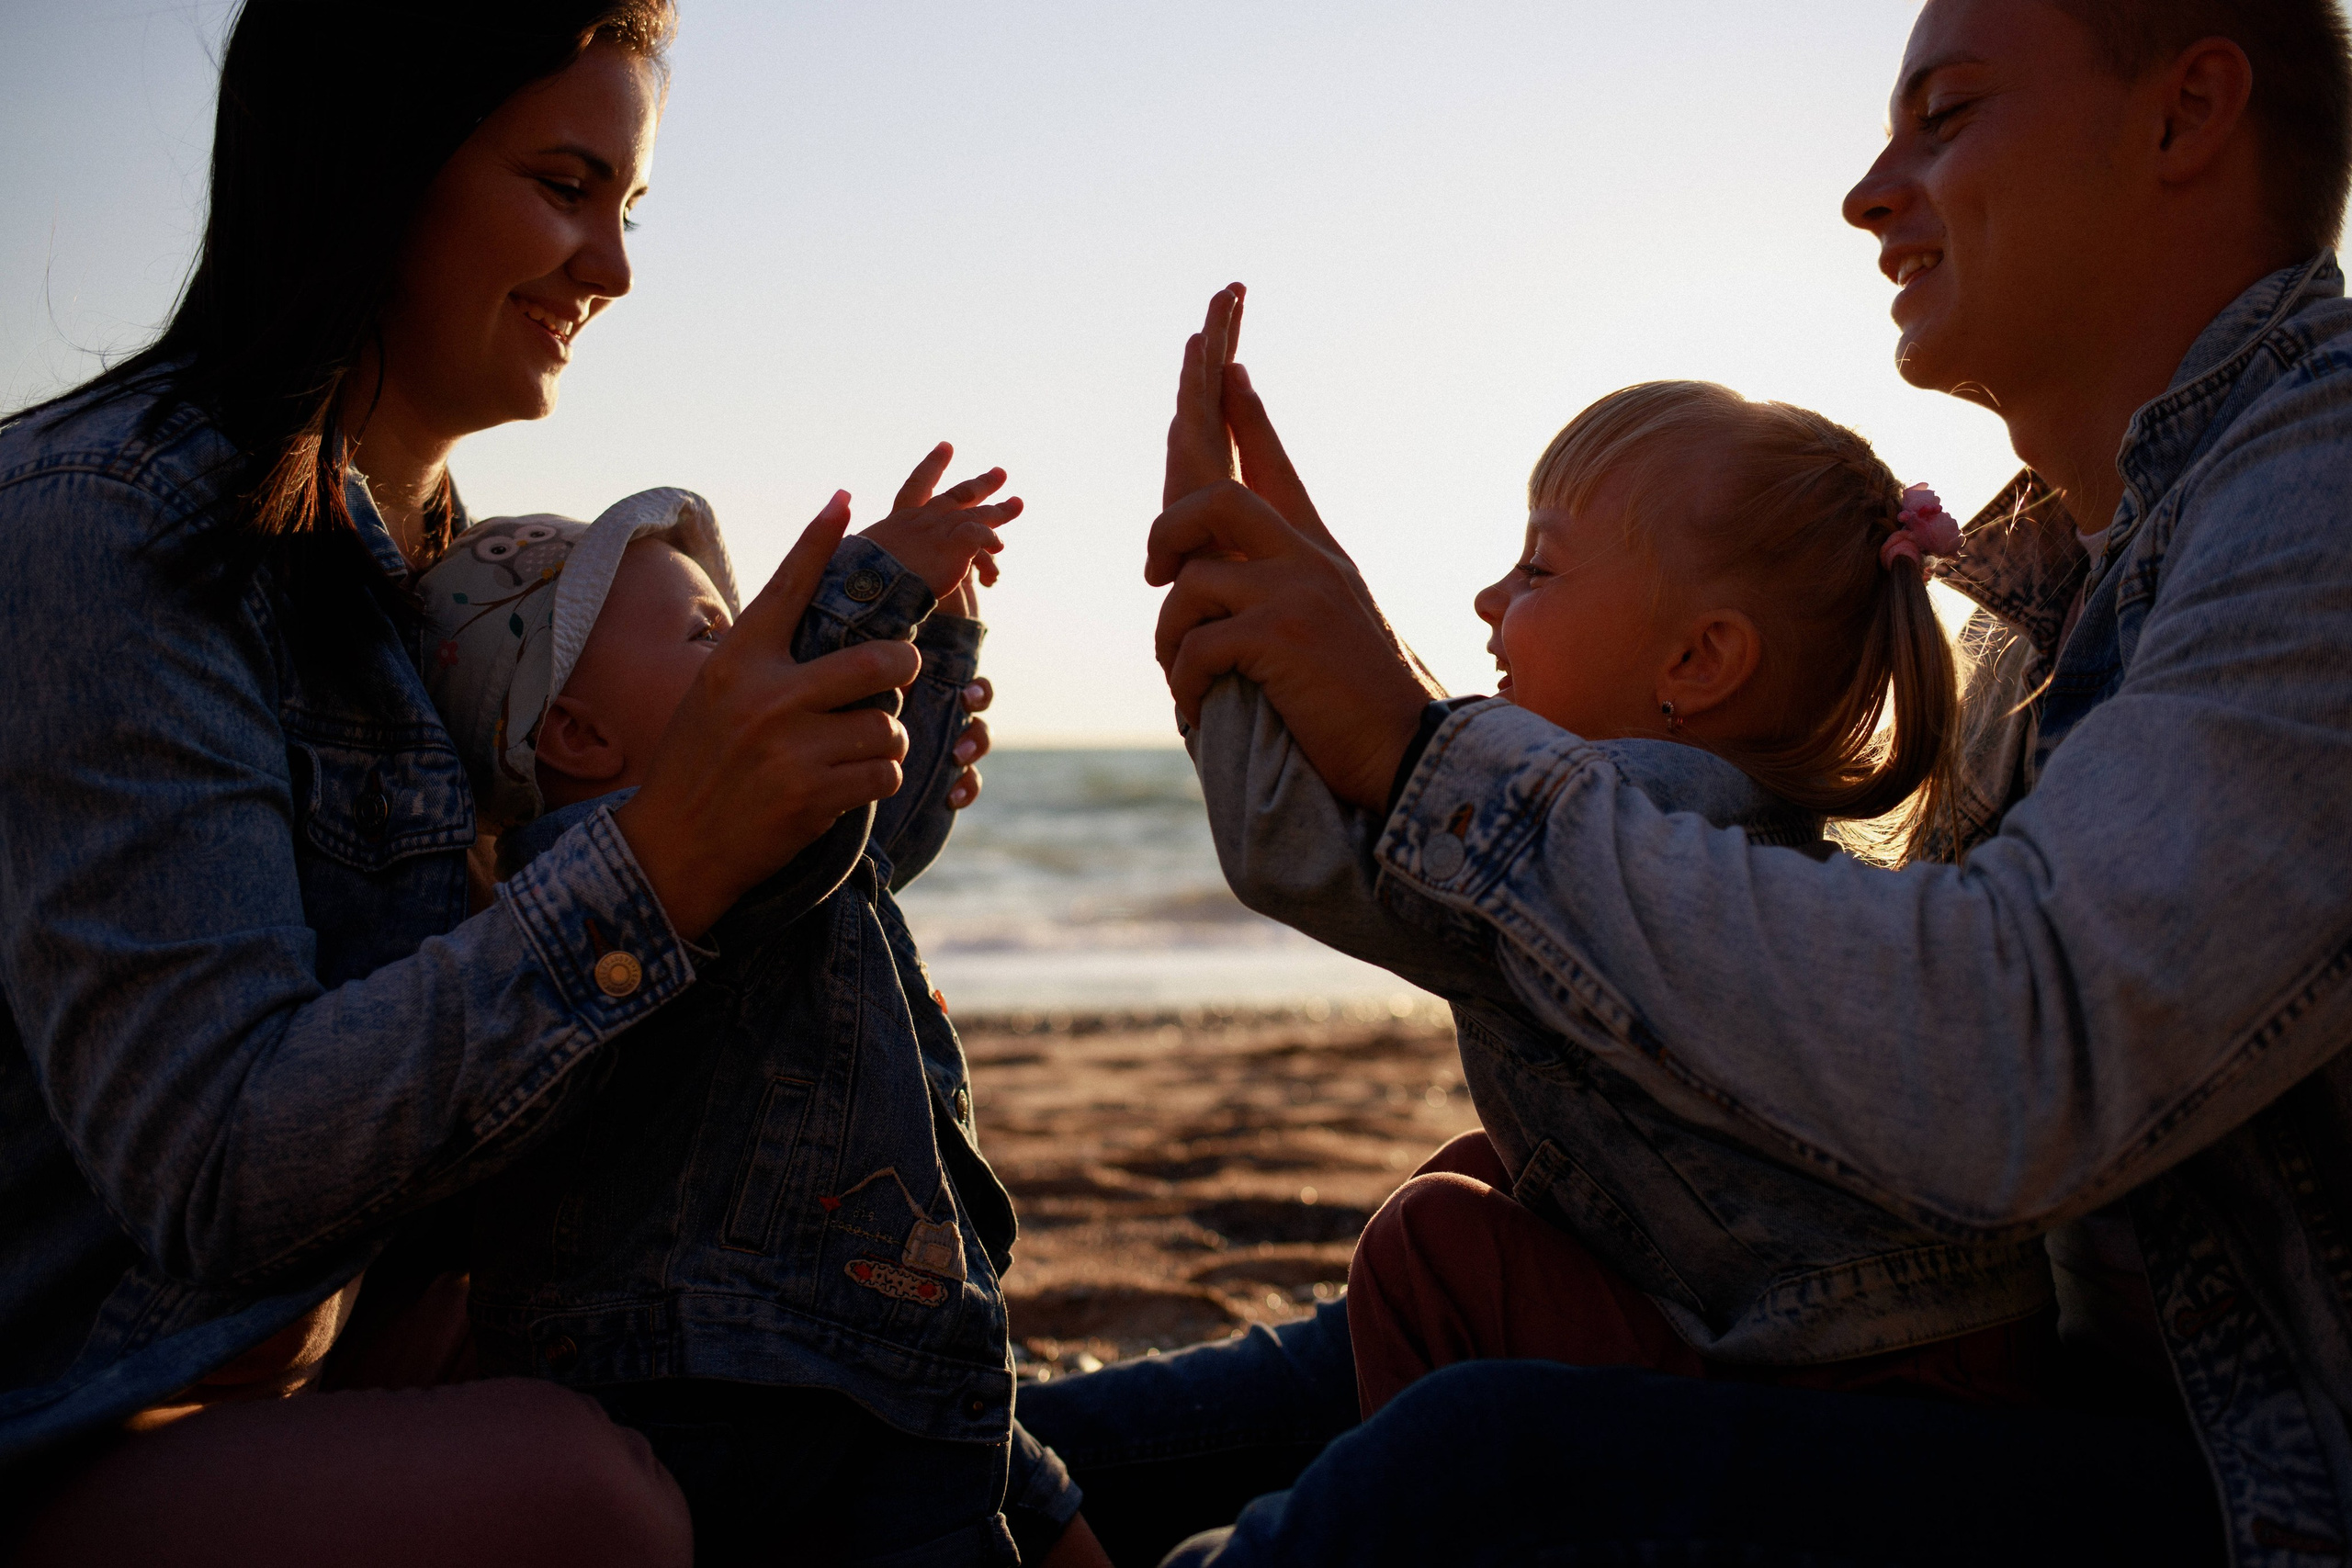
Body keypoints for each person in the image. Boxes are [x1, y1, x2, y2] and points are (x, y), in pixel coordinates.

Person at [1135, 0, 2352, 1562]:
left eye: (1948, 113)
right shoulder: (2056, 586)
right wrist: (1307, 683)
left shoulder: (2320, 499)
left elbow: (2020, 1051)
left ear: (2184, 118)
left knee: (1476, 1464)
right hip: (2069, 1395)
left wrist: (1416, 744)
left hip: (2252, 1487)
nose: (1868, 189)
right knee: (1335, 1329)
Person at [0, 5, 1019, 1562]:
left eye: (628, 209)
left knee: (848, 1398)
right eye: (564, 185)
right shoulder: (106, 529)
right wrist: (667, 853)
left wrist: (821, 771)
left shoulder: (446, 578)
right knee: (583, 1500)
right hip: (73, 1414)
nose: (610, 269)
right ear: (373, 166)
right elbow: (215, 1167)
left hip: (329, 1361)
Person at [1166, 288, 2061, 1416]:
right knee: (1499, 1177)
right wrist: (1311, 590)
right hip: (1939, 1344)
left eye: (1536, 572)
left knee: (1434, 1242)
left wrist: (1221, 627)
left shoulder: (1639, 812)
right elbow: (1429, 773)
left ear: (1697, 661)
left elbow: (1306, 849)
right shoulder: (1721, 818)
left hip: (1857, 1392)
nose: (1489, 600)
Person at [409, 474, 1102, 1564]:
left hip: (853, 1336)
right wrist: (869, 593)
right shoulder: (612, 870)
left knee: (1045, 1517)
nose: (749, 659)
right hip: (745, 1380)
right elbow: (820, 815)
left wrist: (936, 646)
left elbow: (873, 845)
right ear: (580, 738)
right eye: (710, 636)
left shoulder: (760, 844)